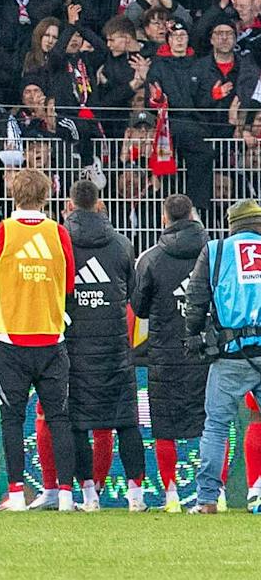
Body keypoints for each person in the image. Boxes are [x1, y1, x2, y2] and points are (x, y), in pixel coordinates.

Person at [0, 167, 78, 513]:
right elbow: (69, 284)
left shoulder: (1, 232)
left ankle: (17, 494)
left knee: (12, 419)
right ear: (46, 196)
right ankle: (66, 494)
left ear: (13, 195)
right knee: (59, 418)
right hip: (51, 337)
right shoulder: (58, 233)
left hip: (11, 339)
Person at [60, 177, 145, 513]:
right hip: (115, 349)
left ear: (69, 206)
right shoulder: (122, 244)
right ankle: (136, 496)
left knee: (77, 423)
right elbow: (134, 295)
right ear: (99, 205)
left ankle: (89, 496)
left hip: (74, 347)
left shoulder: (61, 243)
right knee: (125, 421)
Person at [131, 193, 212, 512]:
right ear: (193, 215)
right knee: (212, 425)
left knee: (164, 427)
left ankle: (171, 495)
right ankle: (215, 493)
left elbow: (139, 308)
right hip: (206, 350)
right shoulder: (214, 253)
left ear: (165, 219)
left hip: (164, 353)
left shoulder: (151, 258)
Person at [183, 196, 261, 515]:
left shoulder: (216, 251)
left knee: (216, 426)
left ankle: (207, 500)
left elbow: (196, 297)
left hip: (230, 353)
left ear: (232, 226)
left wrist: (193, 334)